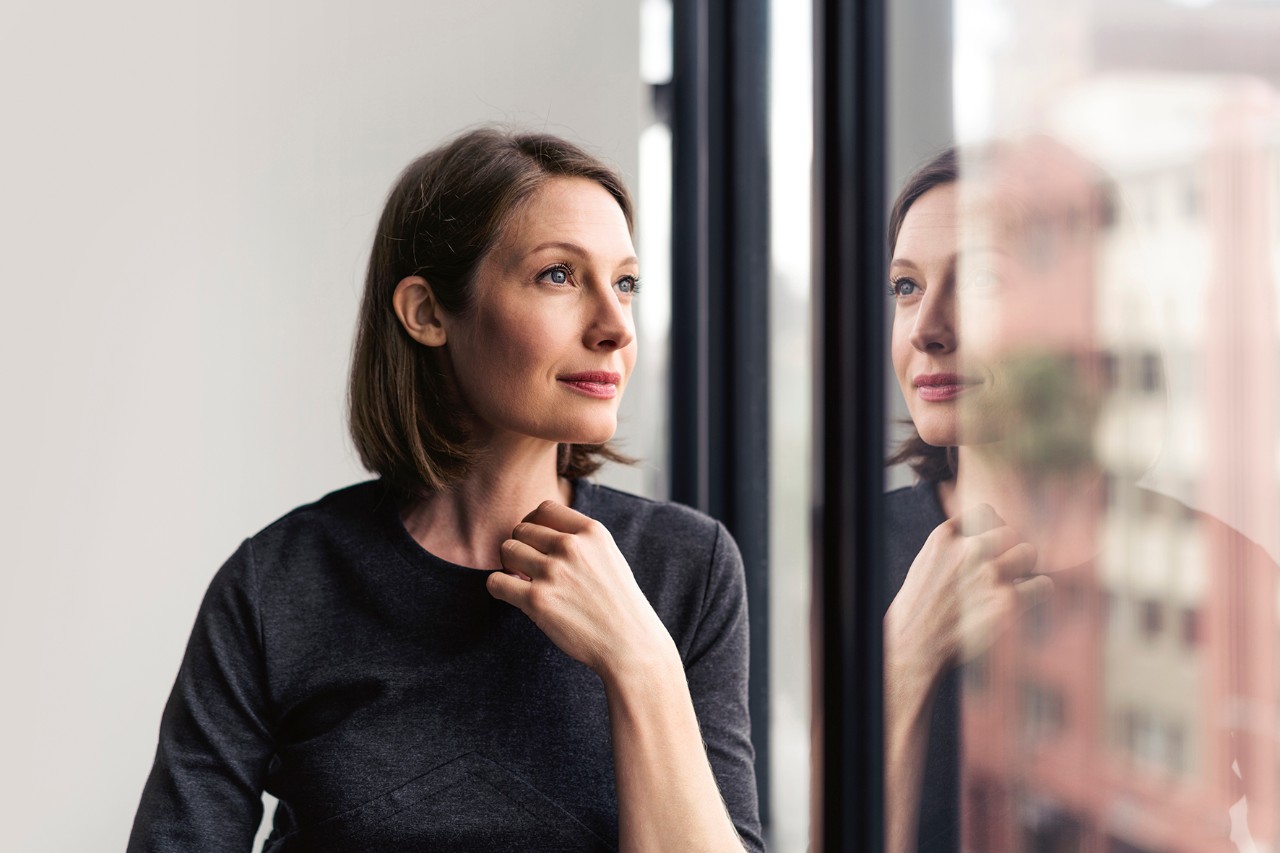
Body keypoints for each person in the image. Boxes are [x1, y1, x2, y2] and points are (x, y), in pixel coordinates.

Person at [128, 127, 762, 852]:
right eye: (559, 275)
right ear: (428, 312)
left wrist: (640, 663)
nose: (616, 326)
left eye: (626, 282)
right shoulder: (277, 584)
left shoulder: (689, 566)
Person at [882, 141, 1280, 852]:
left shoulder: (1229, 573)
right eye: (906, 286)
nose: (926, 328)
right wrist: (903, 659)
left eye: (978, 282)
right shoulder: (841, 556)